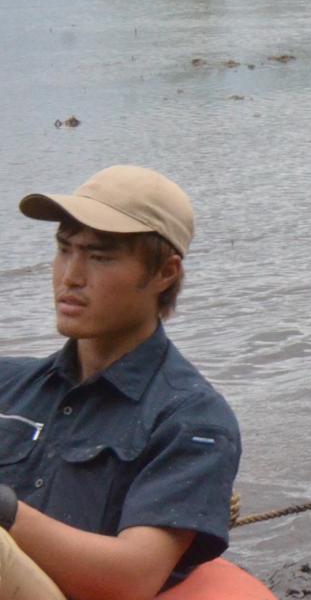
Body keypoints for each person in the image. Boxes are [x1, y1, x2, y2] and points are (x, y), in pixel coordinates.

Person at [0, 166, 241, 600]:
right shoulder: (7, 383)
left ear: (165, 273)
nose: (70, 276)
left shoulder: (194, 420)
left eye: (100, 256)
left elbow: (132, 578)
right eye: (64, 249)